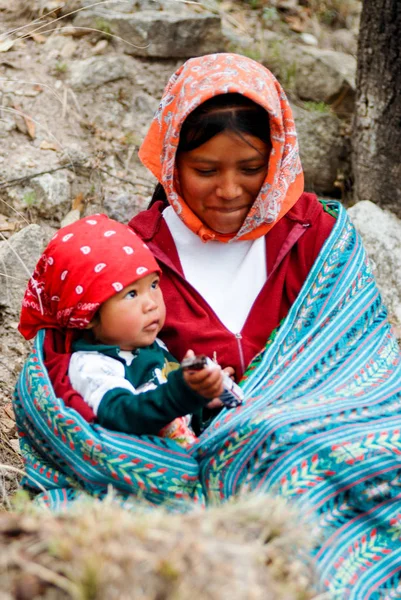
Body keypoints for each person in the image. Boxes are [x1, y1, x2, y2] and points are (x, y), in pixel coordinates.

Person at [18, 214, 226, 447]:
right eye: (132, 294)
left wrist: (204, 398)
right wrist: (182, 391)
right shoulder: (92, 366)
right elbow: (124, 416)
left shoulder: (152, 344)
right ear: (87, 315)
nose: (152, 303)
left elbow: (180, 416)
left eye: (154, 285)